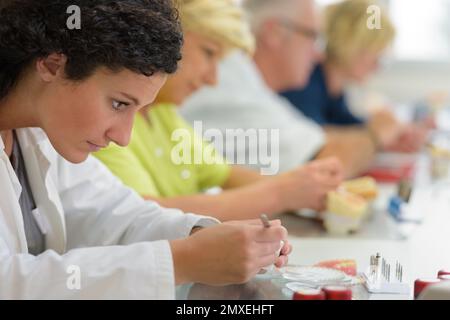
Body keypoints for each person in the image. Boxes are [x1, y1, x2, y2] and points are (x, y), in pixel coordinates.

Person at [0, 0, 291, 299]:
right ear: (52, 65)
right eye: (119, 104)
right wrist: (181, 260)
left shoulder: (40, 134)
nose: (124, 137)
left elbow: (113, 213)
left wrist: (199, 237)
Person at [94, 0, 343, 221]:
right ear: (166, 39)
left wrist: (305, 188)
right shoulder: (112, 120)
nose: (213, 80)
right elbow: (140, 217)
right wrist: (281, 194)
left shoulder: (163, 112)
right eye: (208, 53)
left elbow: (224, 174)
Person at [180, 0, 409, 178]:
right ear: (275, 33)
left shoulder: (252, 84)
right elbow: (324, 161)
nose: (320, 53)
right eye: (313, 37)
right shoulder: (230, 85)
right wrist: (377, 134)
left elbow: (313, 135)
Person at [280, 0, 428, 153]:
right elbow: (312, 138)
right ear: (351, 44)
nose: (378, 65)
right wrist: (377, 133)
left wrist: (391, 135)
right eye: (376, 53)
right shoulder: (304, 82)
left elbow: (349, 125)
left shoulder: (333, 88)